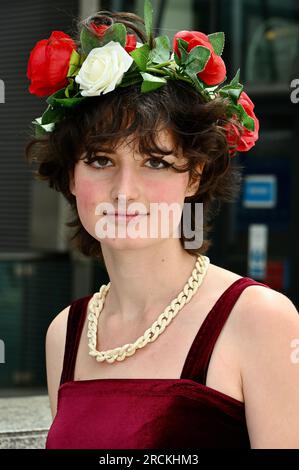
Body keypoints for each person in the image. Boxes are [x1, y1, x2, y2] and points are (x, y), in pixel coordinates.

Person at [25, 1, 299, 449]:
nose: (124, 190)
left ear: (194, 175)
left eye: (155, 161)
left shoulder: (259, 320)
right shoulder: (66, 331)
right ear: (71, 175)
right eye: (100, 160)